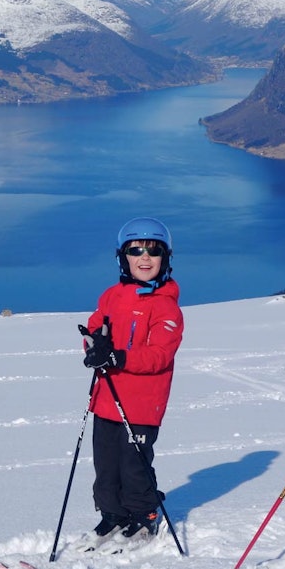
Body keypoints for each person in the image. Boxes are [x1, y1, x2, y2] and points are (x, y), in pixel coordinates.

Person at [79, 216, 183, 543]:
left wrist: (118, 357)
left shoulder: (167, 308)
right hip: (107, 399)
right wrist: (95, 346)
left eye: (153, 251)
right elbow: (95, 327)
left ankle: (144, 515)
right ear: (123, 257)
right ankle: (113, 515)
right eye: (135, 250)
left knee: (134, 468)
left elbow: (159, 356)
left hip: (141, 404)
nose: (144, 258)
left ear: (165, 258)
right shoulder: (112, 296)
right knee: (105, 469)